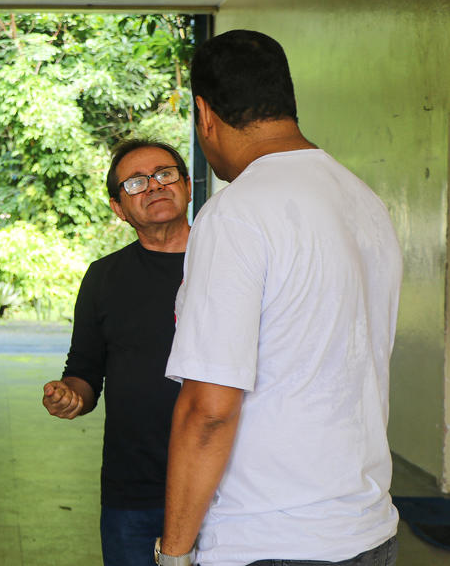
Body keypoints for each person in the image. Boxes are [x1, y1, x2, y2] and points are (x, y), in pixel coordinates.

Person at [158, 30, 401, 566]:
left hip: (267, 540)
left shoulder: (237, 213)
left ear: (204, 114)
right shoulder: (364, 202)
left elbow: (210, 408)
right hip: (366, 529)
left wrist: (173, 553)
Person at [42, 138, 191, 566]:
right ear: (118, 208)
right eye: (136, 182)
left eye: (165, 174)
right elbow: (85, 371)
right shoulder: (104, 278)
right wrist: (72, 394)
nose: (154, 186)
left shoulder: (228, 263)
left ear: (186, 186)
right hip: (134, 491)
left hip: (225, 487)